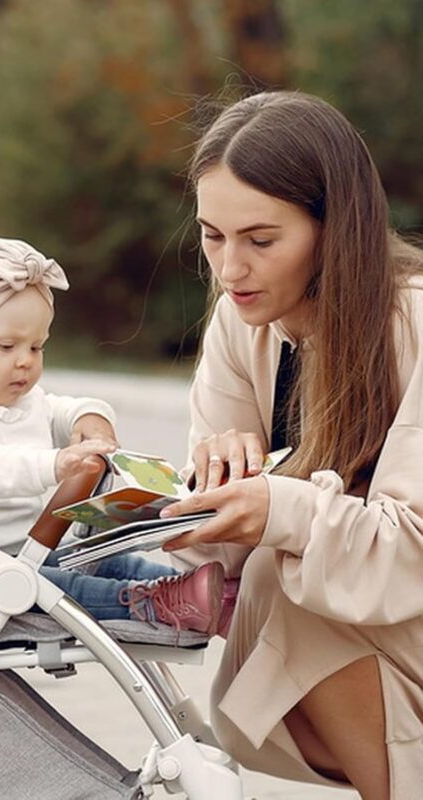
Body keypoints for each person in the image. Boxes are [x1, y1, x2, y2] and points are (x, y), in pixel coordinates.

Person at [159, 91, 423, 799]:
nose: (230, 268)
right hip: (357, 632)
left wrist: (281, 503)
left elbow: (413, 546)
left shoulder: (414, 323)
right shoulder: (239, 325)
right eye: (212, 236)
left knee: (292, 578)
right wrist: (214, 486)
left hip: (403, 608)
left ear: (334, 228)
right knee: (280, 577)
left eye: (260, 240)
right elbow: (216, 553)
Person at [0, 231, 225, 634]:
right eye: (7, 346)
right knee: (59, 587)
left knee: (100, 557)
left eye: (37, 347)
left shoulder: (18, 400)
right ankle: (149, 602)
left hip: (22, 552)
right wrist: (52, 465)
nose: (25, 362)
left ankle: (193, 592)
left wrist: (90, 419)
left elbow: (61, 410)